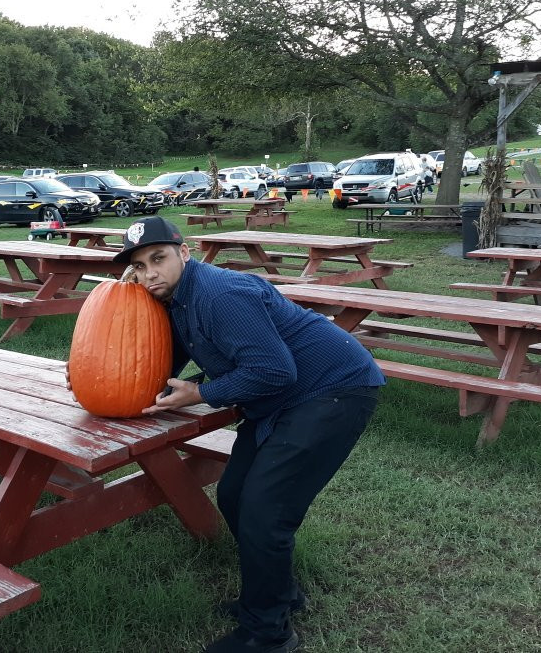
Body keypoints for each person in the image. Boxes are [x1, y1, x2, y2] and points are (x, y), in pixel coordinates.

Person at [114, 217, 383, 653]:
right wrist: (115, 377)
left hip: (333, 390)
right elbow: (168, 358)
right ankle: (279, 595)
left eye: (158, 259)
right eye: (140, 267)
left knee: (265, 511)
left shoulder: (220, 295)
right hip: (279, 398)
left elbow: (274, 371)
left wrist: (202, 392)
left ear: (184, 253)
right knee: (236, 495)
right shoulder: (176, 300)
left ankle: (268, 633)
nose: (150, 275)